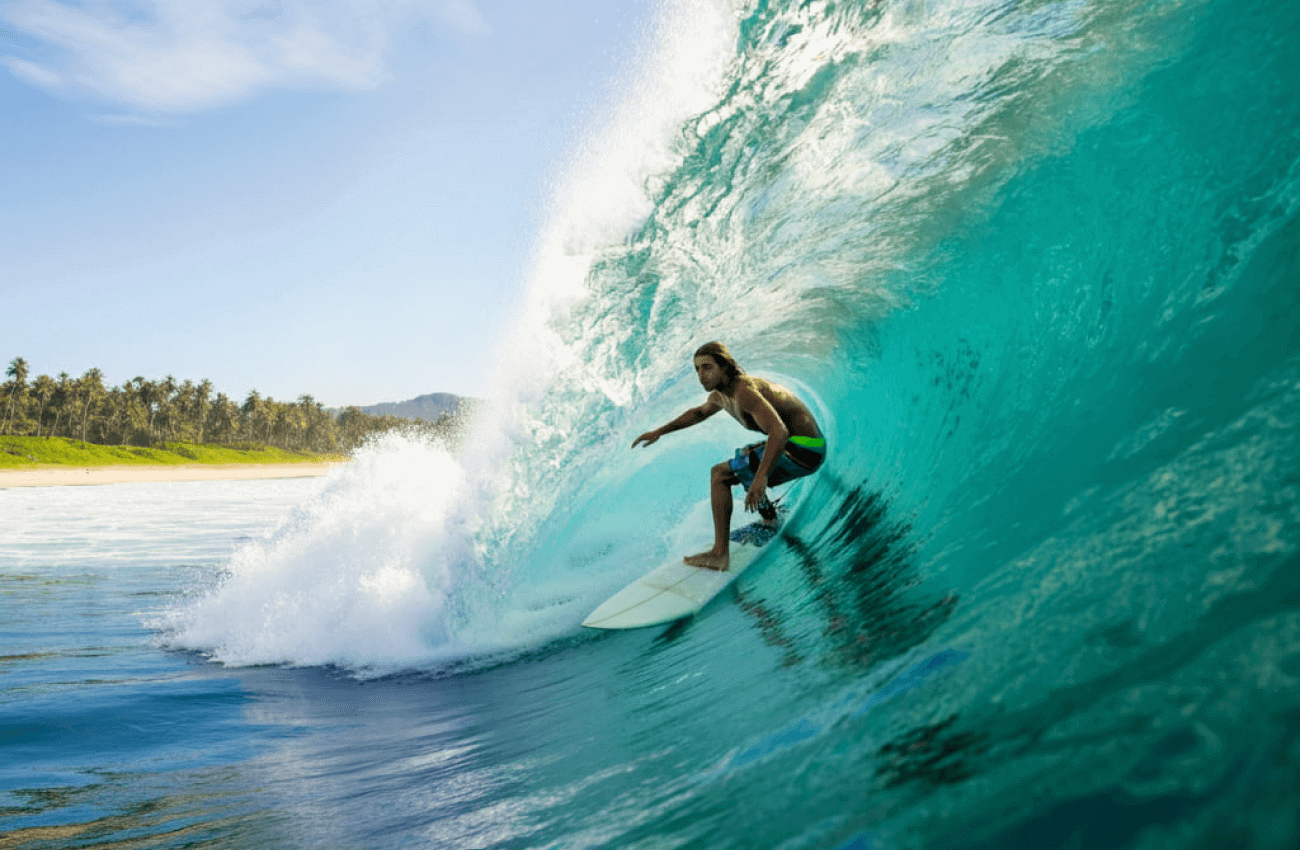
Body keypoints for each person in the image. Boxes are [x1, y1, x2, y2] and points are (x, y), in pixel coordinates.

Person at [631, 341, 826, 571]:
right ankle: (769, 517)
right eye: (697, 369)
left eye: (707, 367)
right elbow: (697, 413)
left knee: (720, 474)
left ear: (725, 366)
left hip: (806, 448)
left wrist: (761, 477)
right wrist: (659, 432)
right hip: (802, 446)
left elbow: (780, 431)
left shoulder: (743, 392)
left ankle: (719, 554)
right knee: (744, 458)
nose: (701, 375)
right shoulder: (720, 396)